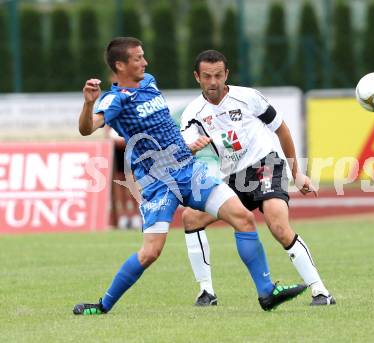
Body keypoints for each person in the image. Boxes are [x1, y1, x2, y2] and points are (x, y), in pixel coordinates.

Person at [73, 37, 306, 315]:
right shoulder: (113, 100)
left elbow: (161, 129)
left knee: (243, 219)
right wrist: (88, 105)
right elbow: (88, 128)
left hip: (189, 172)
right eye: (137, 58)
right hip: (158, 184)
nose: (144, 62)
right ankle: (102, 305)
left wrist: (185, 145)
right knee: (150, 253)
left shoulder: (149, 81)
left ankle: (266, 293)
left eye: (143, 56)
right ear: (120, 65)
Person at [180, 50, 335, 307]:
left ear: (226, 74)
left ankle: (320, 292)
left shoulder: (248, 97)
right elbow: (185, 145)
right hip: (231, 176)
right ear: (197, 77)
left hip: (265, 165)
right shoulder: (193, 112)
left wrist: (296, 172)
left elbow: (282, 130)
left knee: (278, 227)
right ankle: (206, 292)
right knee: (191, 217)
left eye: (218, 75)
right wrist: (192, 146)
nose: (213, 82)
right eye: (207, 76)